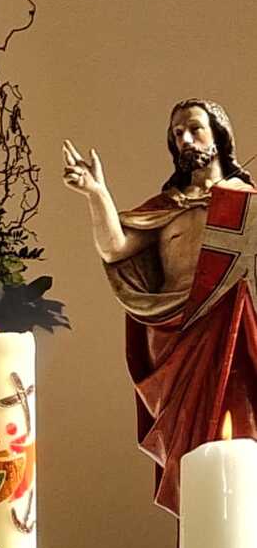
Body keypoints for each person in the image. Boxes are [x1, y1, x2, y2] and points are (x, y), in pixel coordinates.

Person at [64, 99, 257, 514]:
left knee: (238, 439)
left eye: (194, 128)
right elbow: (115, 248)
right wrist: (97, 194)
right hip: (175, 336)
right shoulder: (167, 207)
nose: (186, 138)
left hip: (232, 330)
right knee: (189, 452)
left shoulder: (247, 203)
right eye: (177, 133)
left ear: (219, 135)